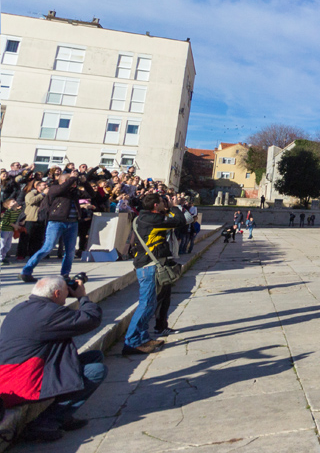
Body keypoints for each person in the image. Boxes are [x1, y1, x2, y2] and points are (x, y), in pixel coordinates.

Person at [0, 276, 107, 442]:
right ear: (56, 293)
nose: (67, 296)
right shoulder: (49, 313)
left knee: (94, 357)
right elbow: (91, 319)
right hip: (22, 383)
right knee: (96, 371)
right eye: (65, 292)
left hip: (14, 375)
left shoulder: (21, 308)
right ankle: (45, 423)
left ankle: (63, 415)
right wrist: (82, 296)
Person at [123, 194, 187, 354]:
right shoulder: (153, 220)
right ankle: (131, 342)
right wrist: (174, 206)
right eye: (161, 203)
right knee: (145, 304)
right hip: (148, 266)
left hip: (146, 265)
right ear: (155, 205)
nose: (163, 205)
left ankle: (143, 338)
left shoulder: (143, 217)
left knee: (150, 303)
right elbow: (180, 221)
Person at [21, 170, 91, 283]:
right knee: (48, 248)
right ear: (64, 181)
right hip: (56, 222)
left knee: (70, 251)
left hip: (72, 223)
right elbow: (62, 188)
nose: (74, 182)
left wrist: (85, 182)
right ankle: (26, 271)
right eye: (70, 180)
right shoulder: (54, 188)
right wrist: (72, 178)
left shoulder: (74, 192)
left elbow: (91, 194)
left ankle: (65, 274)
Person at [0, 198, 22, 264]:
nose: (15, 202)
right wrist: (14, 225)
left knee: (8, 245)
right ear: (9, 206)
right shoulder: (8, 212)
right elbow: (4, 221)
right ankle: (0, 258)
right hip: (4, 229)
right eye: (13, 202)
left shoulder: (18, 212)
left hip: (11, 230)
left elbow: (21, 218)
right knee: (2, 244)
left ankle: (3, 257)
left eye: (15, 201)